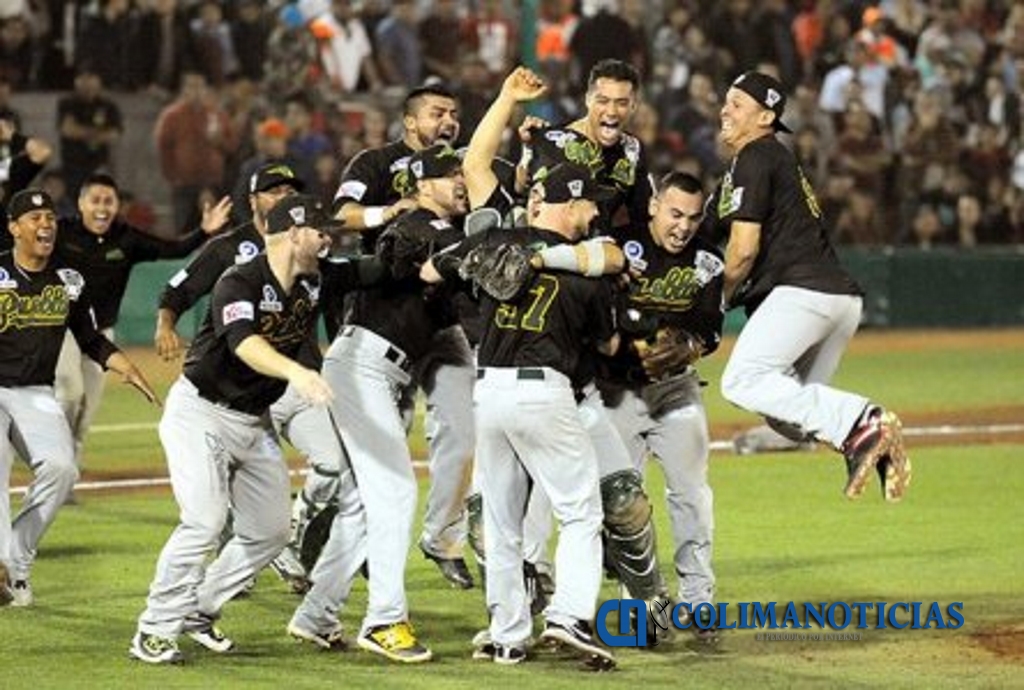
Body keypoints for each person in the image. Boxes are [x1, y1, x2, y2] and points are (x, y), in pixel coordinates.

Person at [421, 162, 619, 668]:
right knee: (580, 512)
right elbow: (609, 341)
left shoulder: (497, 244)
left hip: (489, 392)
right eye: (589, 202)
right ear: (570, 204)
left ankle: (507, 634)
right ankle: (569, 616)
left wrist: (468, 261)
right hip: (545, 392)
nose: (595, 211)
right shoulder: (587, 269)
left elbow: (430, 270)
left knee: (501, 520)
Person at [129, 194, 336, 664]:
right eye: (319, 230)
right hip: (200, 412)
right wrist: (297, 373)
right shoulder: (238, 281)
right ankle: (154, 628)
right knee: (203, 521)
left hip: (253, 421)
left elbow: (367, 271)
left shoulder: (311, 284)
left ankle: (198, 610)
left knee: (271, 531)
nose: (327, 238)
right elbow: (245, 344)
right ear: (293, 232)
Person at [154, 162, 355, 595]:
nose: (283, 196)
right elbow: (179, 292)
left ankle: (289, 537)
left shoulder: (313, 261)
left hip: (292, 387)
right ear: (253, 201)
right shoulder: (231, 255)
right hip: (241, 384)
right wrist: (165, 324)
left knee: (335, 466)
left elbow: (354, 280)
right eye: (273, 190)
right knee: (211, 508)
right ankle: (205, 586)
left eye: (290, 189)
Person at [709, 71, 911, 502]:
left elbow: (743, 251)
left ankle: (864, 422)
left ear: (765, 117)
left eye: (737, 103)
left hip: (801, 293)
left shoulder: (757, 156)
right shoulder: (756, 165)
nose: (725, 109)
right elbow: (705, 226)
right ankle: (871, 443)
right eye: (726, 100)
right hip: (835, 300)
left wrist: (713, 303)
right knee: (788, 418)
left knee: (741, 381)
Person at [322, 144, 469, 663]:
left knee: (365, 501)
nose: (460, 179)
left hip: (382, 370)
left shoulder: (446, 230)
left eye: (462, 171)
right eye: (449, 173)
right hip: (362, 364)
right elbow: (450, 253)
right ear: (421, 185)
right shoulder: (416, 224)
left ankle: (317, 613)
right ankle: (383, 620)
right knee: (396, 490)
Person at [332, 84, 475, 590]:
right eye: (438, 112)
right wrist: (389, 212)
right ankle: (320, 531)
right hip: (385, 315)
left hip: (442, 318)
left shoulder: (461, 170)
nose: (450, 120)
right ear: (411, 122)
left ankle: (441, 537)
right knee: (378, 443)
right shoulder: (375, 164)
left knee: (464, 423)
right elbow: (339, 216)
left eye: (455, 113)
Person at [0, 189, 158, 608]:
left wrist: (126, 367)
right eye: (34, 218)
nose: (45, 224)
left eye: (49, 217)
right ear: (14, 228)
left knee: (63, 469)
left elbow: (90, 338)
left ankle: (15, 557)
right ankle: (4, 566)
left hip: (35, 391)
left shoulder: (69, 279)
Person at [598, 171, 724, 637]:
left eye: (693, 217)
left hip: (676, 389)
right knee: (623, 504)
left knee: (691, 493)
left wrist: (690, 343)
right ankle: (641, 607)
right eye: (675, 213)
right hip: (617, 391)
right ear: (653, 206)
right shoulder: (617, 246)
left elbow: (710, 326)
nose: (683, 226)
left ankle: (697, 597)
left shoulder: (707, 258)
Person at [53, 172, 228, 472]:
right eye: (95, 200)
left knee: (88, 407)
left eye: (109, 201)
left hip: (101, 335)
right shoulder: (60, 232)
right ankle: (55, 451)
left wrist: (203, 231)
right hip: (64, 329)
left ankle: (70, 457)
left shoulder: (127, 238)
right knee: (69, 389)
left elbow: (174, 249)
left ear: (118, 206)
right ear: (80, 204)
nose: (102, 207)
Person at [519, 58, 653, 230]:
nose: (611, 111)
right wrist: (528, 152)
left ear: (633, 106)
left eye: (622, 103)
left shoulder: (633, 150)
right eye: (603, 101)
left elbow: (643, 217)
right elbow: (523, 198)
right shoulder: (554, 144)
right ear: (588, 100)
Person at [55, 71, 122, 197]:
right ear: (77, 84)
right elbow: (67, 130)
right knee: (74, 200)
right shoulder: (67, 103)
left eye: (92, 86)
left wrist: (81, 131)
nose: (88, 89)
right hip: (72, 165)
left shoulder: (108, 106)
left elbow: (114, 134)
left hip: (99, 164)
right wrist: (97, 133)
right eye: (84, 85)